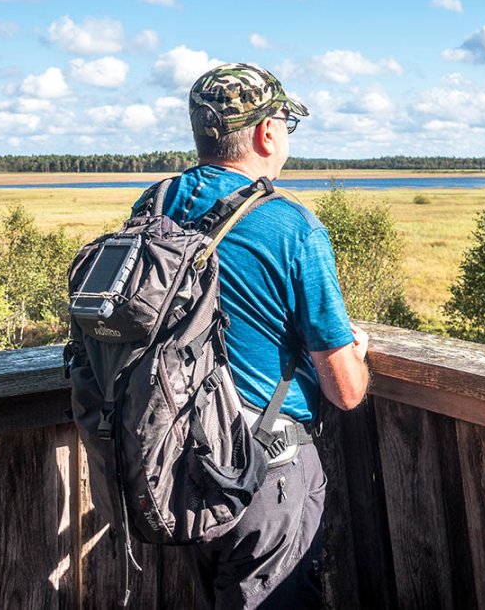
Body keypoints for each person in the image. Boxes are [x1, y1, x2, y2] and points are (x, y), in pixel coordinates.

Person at [159, 63, 370, 608]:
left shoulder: (156, 203)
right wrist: (357, 352)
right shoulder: (290, 224)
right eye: (284, 123)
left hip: (180, 463)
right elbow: (345, 392)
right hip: (264, 471)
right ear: (265, 132)